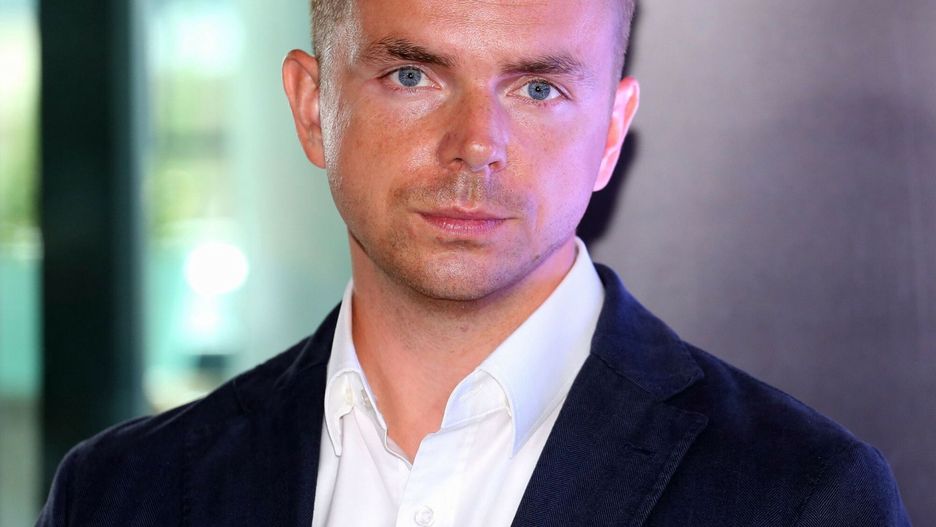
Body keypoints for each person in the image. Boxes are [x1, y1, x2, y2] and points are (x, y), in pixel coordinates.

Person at [38, 0, 910, 525]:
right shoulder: (118, 496)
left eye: (538, 88)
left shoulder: (802, 499)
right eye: (413, 77)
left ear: (610, 133)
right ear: (312, 106)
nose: (475, 144)